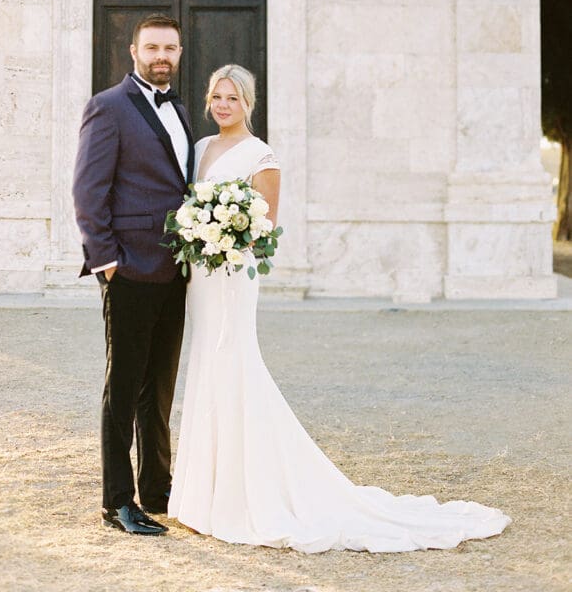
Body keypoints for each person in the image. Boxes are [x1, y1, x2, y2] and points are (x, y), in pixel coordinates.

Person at [169, 63, 511, 553]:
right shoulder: (201, 149)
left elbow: (264, 228)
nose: (224, 105)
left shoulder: (261, 156)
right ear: (209, 100)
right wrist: (199, 230)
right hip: (201, 277)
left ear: (249, 104)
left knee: (233, 363)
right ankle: (204, 495)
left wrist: (225, 236)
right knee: (204, 366)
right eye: (218, 97)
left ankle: (245, 495)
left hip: (232, 278)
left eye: (234, 98)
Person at [73, 13, 194, 536]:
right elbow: (87, 191)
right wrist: (107, 262)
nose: (161, 56)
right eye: (152, 48)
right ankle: (117, 501)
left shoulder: (182, 111)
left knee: (160, 387)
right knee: (122, 388)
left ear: (180, 52)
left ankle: (158, 490)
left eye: (169, 48)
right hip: (128, 268)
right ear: (133, 51)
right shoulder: (109, 106)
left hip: (175, 270)